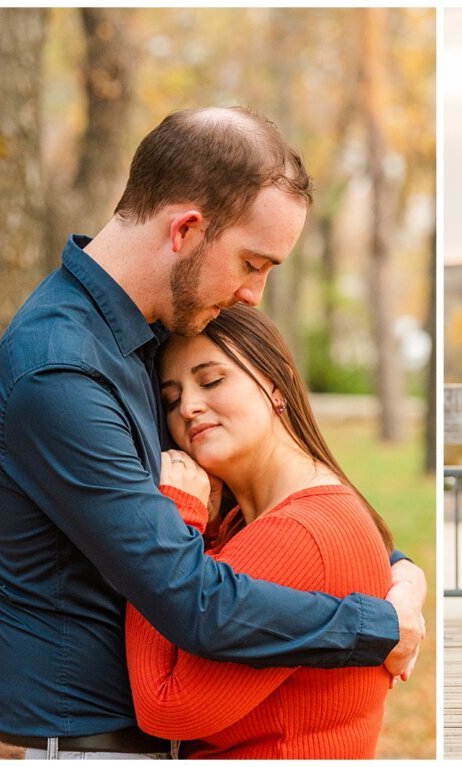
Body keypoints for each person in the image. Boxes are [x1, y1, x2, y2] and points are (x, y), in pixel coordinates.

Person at [0, 106, 425, 760]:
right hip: (69, 744)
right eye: (252, 263)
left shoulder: (148, 342)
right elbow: (188, 595)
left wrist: (393, 568)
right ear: (185, 229)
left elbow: (251, 515)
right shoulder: (61, 372)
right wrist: (373, 624)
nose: (255, 295)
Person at [125, 306, 395, 758]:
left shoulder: (298, 532)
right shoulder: (261, 521)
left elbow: (165, 706)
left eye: (211, 381)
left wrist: (168, 523)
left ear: (276, 384)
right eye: (171, 399)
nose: (189, 407)